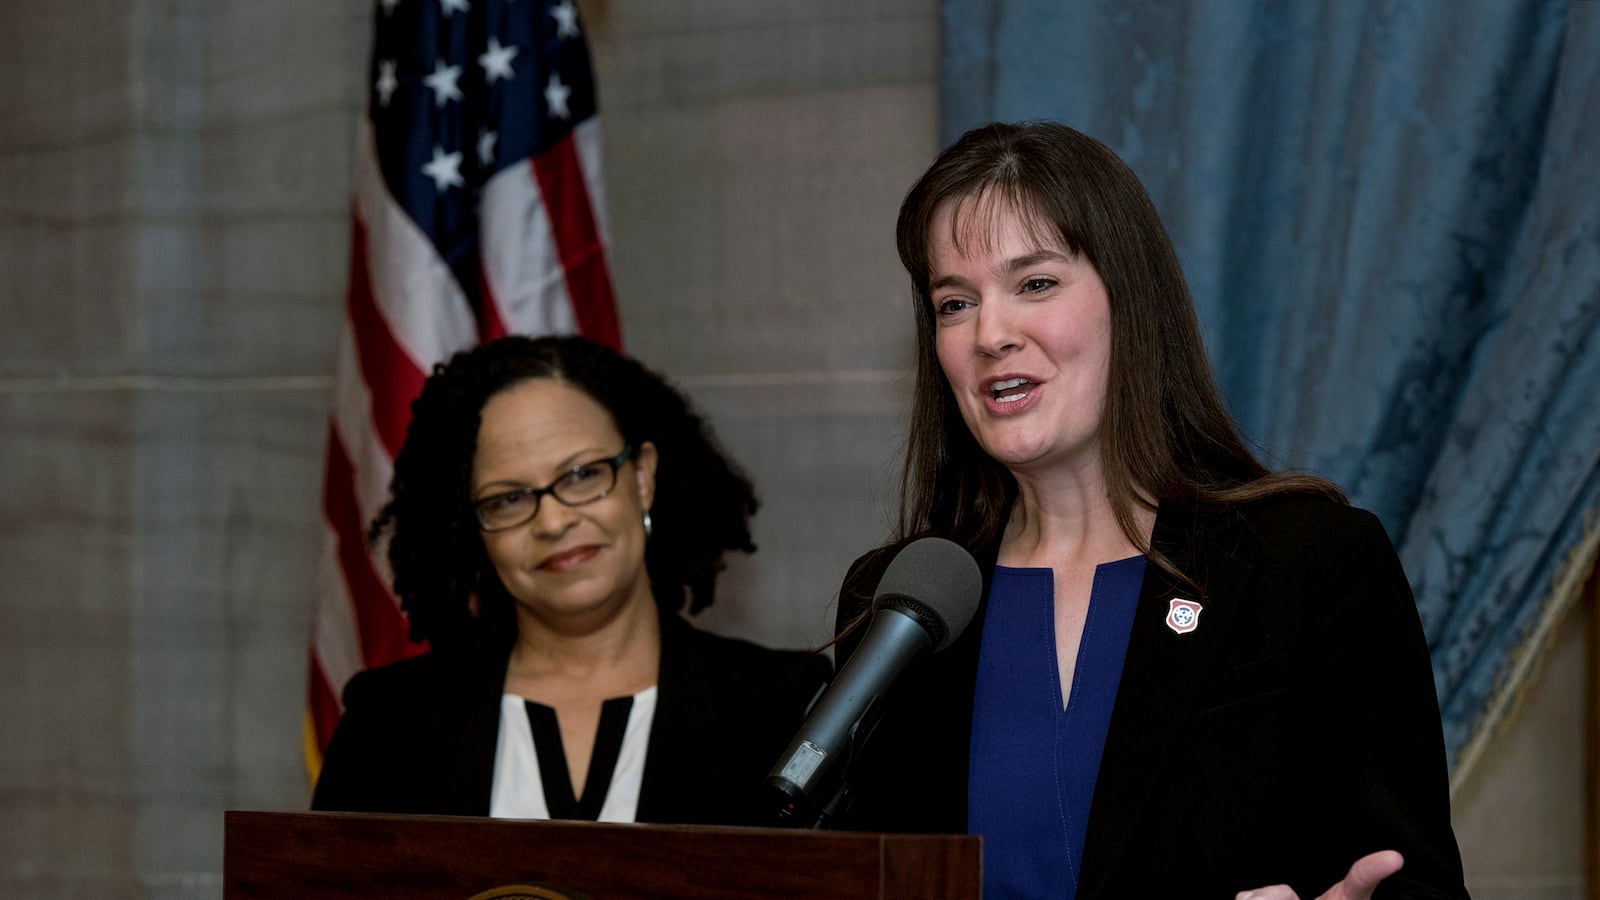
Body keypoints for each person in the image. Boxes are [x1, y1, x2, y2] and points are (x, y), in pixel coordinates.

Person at [828, 122, 1469, 899]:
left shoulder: (1308, 563)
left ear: (1129, 301)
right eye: (955, 303)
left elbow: (1412, 881)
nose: (991, 335)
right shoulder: (904, 606)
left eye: (1035, 284)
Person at [312, 335, 830, 825]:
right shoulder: (386, 723)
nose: (553, 522)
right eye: (509, 498)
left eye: (582, 474)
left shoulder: (785, 711)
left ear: (643, 477)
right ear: (471, 528)